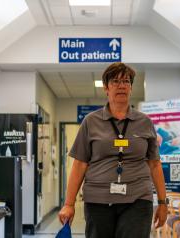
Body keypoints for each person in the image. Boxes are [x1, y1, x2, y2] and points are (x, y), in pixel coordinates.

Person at [58, 62, 167, 238]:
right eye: (115, 81)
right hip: (98, 200)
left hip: (138, 198)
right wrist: (69, 204)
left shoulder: (145, 122)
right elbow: (79, 164)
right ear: (106, 88)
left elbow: (155, 164)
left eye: (126, 81)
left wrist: (163, 203)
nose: (121, 85)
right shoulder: (91, 121)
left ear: (131, 87)